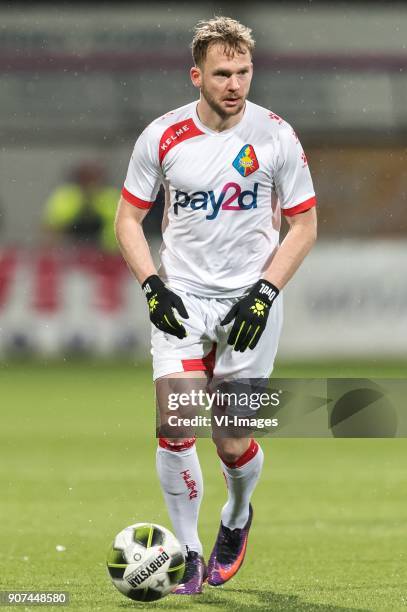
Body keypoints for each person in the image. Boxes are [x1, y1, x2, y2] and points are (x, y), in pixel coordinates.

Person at [115, 16, 317, 595]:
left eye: (244, 72)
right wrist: (152, 284)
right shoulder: (162, 137)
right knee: (176, 427)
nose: (235, 84)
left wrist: (265, 292)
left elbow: (304, 226)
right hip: (182, 297)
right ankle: (188, 554)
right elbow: (128, 219)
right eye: (223, 73)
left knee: (231, 440)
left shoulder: (276, 135)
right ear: (196, 75)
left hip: (250, 301)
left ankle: (237, 513)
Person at [43, 162, 119, 252]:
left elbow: (124, 230)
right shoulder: (65, 197)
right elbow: (50, 229)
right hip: (70, 253)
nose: (89, 184)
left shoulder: (111, 198)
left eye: (92, 179)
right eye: (85, 179)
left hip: (107, 254)